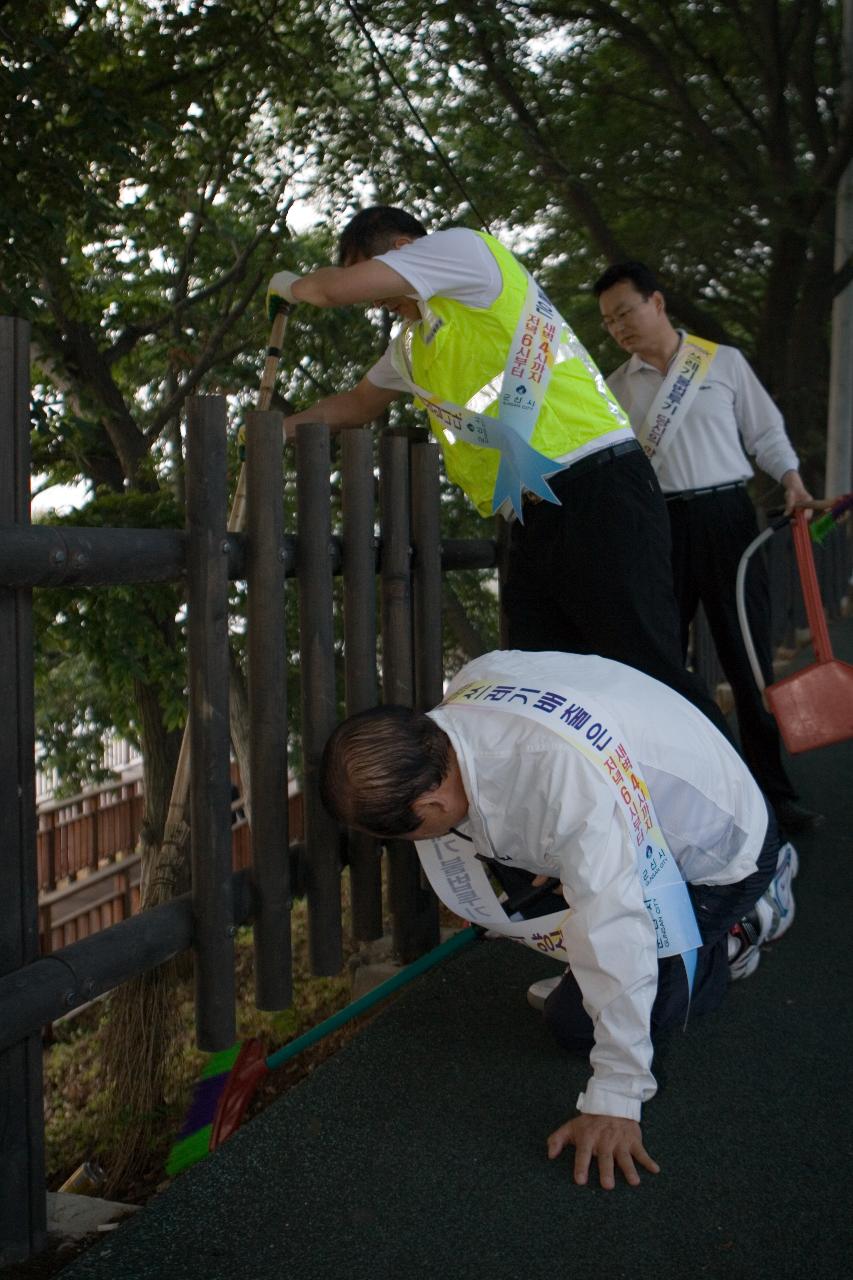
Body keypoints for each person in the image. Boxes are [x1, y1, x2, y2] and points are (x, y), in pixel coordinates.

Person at [319, 648, 797, 1190]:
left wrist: (616, 1097)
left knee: (578, 1025)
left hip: (720, 854)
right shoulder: (465, 696)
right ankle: (608, 898)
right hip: (637, 805)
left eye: (402, 835)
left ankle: (745, 925)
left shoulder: (562, 786)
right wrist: (558, 847)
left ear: (428, 805)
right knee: (548, 885)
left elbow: (616, 926)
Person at [266, 206, 726, 725]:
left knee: (650, 675)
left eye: (361, 272)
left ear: (402, 248)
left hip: (596, 485)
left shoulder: (465, 252)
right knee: (553, 692)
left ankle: (751, 808)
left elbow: (327, 291)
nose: (370, 298)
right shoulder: (412, 348)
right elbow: (356, 404)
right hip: (528, 517)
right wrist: (275, 429)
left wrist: (289, 284)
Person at [594, 261, 821, 835]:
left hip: (729, 520)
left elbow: (765, 432)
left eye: (626, 311)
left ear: (658, 303)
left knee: (748, 658)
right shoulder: (613, 388)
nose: (619, 327)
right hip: (659, 529)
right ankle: (699, 803)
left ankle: (775, 796)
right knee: (669, 663)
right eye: (608, 321)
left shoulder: (723, 364)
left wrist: (792, 478)